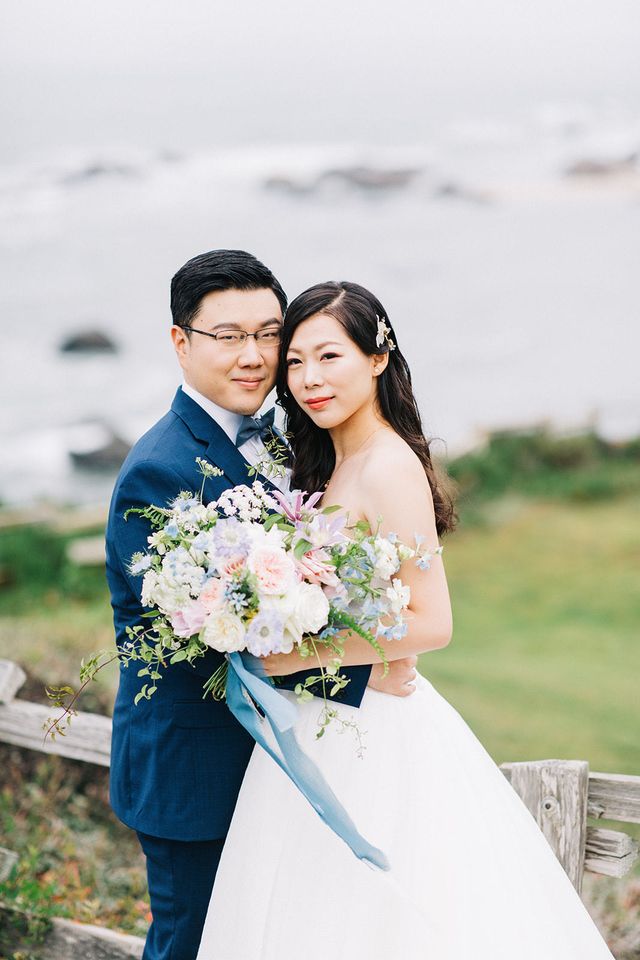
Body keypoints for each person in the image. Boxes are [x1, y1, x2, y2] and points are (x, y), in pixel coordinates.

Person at [196, 281, 615, 959]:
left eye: (329, 356)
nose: (308, 379)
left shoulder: (388, 465)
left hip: (376, 733)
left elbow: (432, 622)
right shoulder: (339, 459)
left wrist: (302, 653)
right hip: (329, 717)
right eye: (295, 362)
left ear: (378, 359)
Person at [105, 255, 417, 960]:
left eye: (269, 334)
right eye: (228, 336)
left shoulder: (288, 435)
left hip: (285, 760)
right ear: (181, 343)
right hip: (198, 769)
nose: (254, 357)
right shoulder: (160, 468)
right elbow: (204, 639)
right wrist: (363, 671)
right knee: (193, 944)